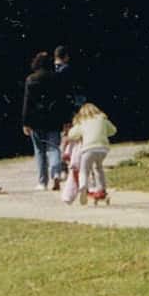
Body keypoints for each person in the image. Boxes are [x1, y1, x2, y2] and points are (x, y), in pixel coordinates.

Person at [21, 51, 65, 191]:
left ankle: (42, 182)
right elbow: (62, 100)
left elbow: (27, 102)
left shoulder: (31, 79)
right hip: (54, 118)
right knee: (54, 147)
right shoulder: (57, 78)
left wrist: (25, 122)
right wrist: (66, 119)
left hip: (36, 120)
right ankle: (56, 174)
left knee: (39, 151)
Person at [66, 102, 118, 205]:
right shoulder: (103, 119)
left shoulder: (83, 121)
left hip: (88, 149)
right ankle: (101, 189)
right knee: (98, 168)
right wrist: (103, 132)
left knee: (84, 170)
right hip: (103, 149)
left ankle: (83, 187)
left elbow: (71, 134)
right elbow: (113, 130)